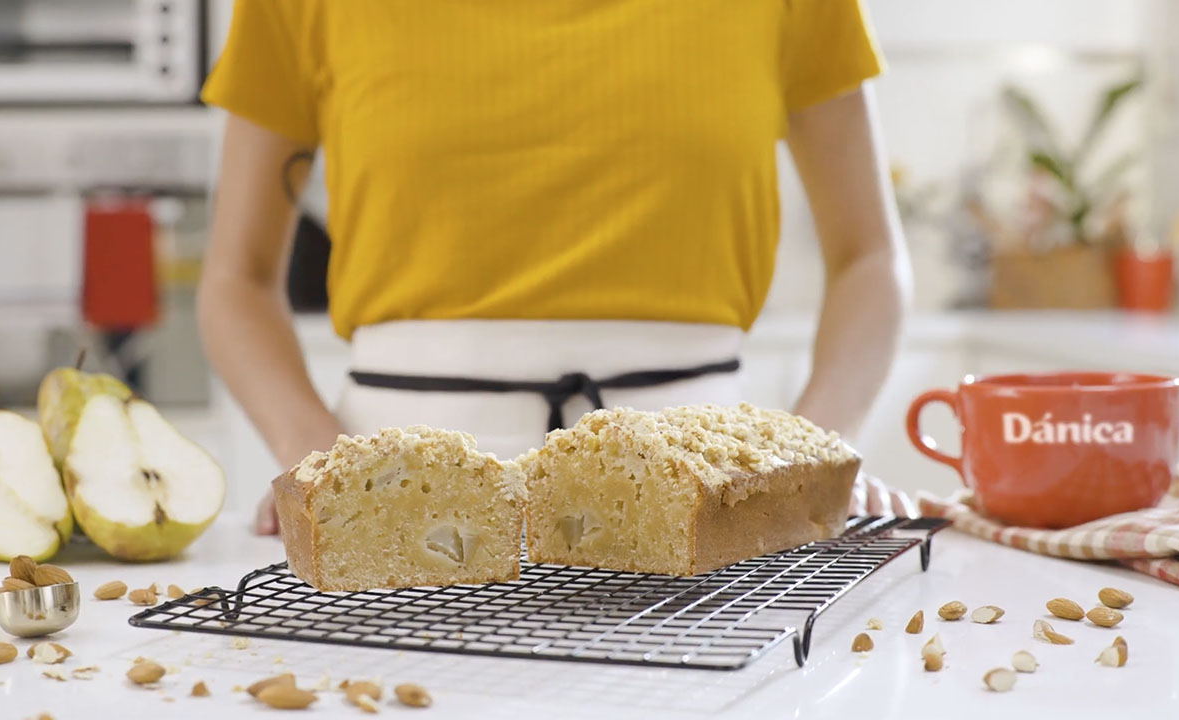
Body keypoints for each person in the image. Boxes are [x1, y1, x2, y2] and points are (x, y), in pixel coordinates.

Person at [198, 0, 914, 535]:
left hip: (715, 502)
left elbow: (870, 258)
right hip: (393, 500)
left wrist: (815, 460)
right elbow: (238, 279)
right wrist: (317, 466)